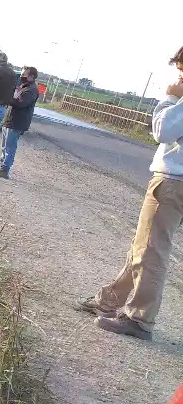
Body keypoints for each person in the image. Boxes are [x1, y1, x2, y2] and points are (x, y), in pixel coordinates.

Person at [76, 45, 183, 340]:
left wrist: (171, 97)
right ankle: (110, 299)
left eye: (182, 68)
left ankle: (139, 319)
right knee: (143, 245)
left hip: (173, 179)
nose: (179, 74)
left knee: (151, 250)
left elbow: (163, 130)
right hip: (176, 181)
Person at [0, 66, 40, 179]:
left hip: (17, 122)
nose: (21, 77)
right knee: (4, 146)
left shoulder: (31, 90)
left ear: (32, 77)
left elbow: (20, 103)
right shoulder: (24, 87)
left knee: (9, 147)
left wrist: (7, 97)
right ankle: (1, 166)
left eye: (24, 75)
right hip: (10, 120)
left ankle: (5, 170)